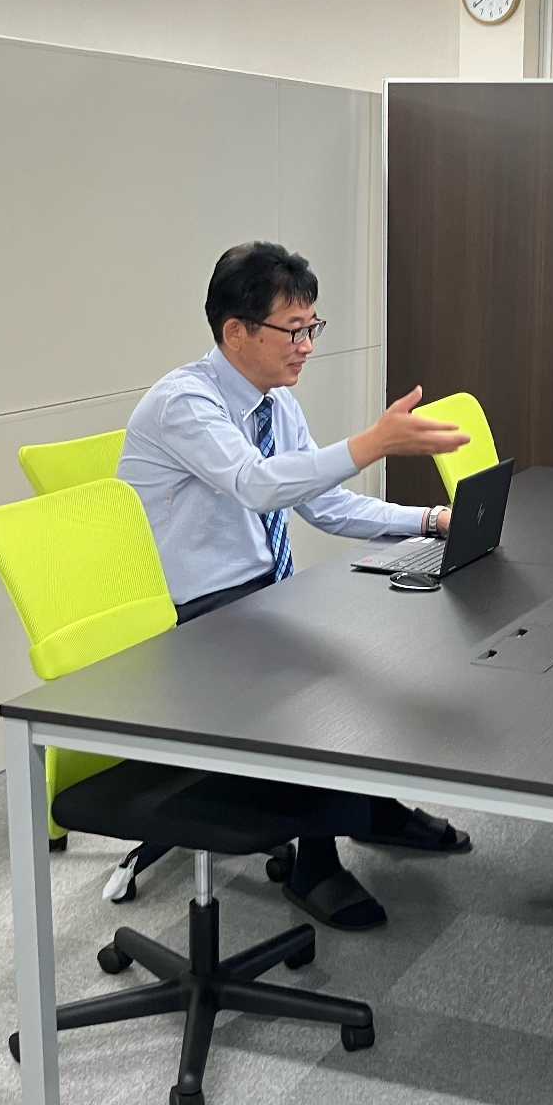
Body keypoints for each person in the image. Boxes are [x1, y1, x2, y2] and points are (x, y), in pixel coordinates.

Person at [119, 240, 475, 931]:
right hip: (190, 617)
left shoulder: (274, 402)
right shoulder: (185, 403)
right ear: (236, 332)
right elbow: (257, 486)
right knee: (324, 680)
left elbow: (322, 504)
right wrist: (371, 444)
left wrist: (429, 521)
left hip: (260, 596)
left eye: (313, 327)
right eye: (293, 330)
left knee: (385, 642)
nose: (307, 346)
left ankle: (372, 808)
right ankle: (316, 860)